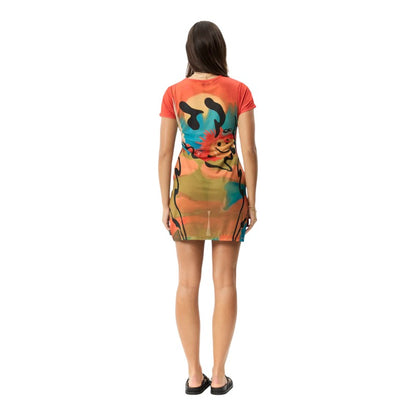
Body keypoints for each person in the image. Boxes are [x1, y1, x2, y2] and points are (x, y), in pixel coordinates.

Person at [158, 20, 258, 395]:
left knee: (187, 283)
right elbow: (249, 150)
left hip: (186, 195)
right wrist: (252, 199)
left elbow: (164, 153)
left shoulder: (173, 93)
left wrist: (165, 203)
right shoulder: (239, 91)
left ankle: (194, 374)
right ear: (219, 49)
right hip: (228, 194)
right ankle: (218, 375)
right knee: (226, 282)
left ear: (190, 51)